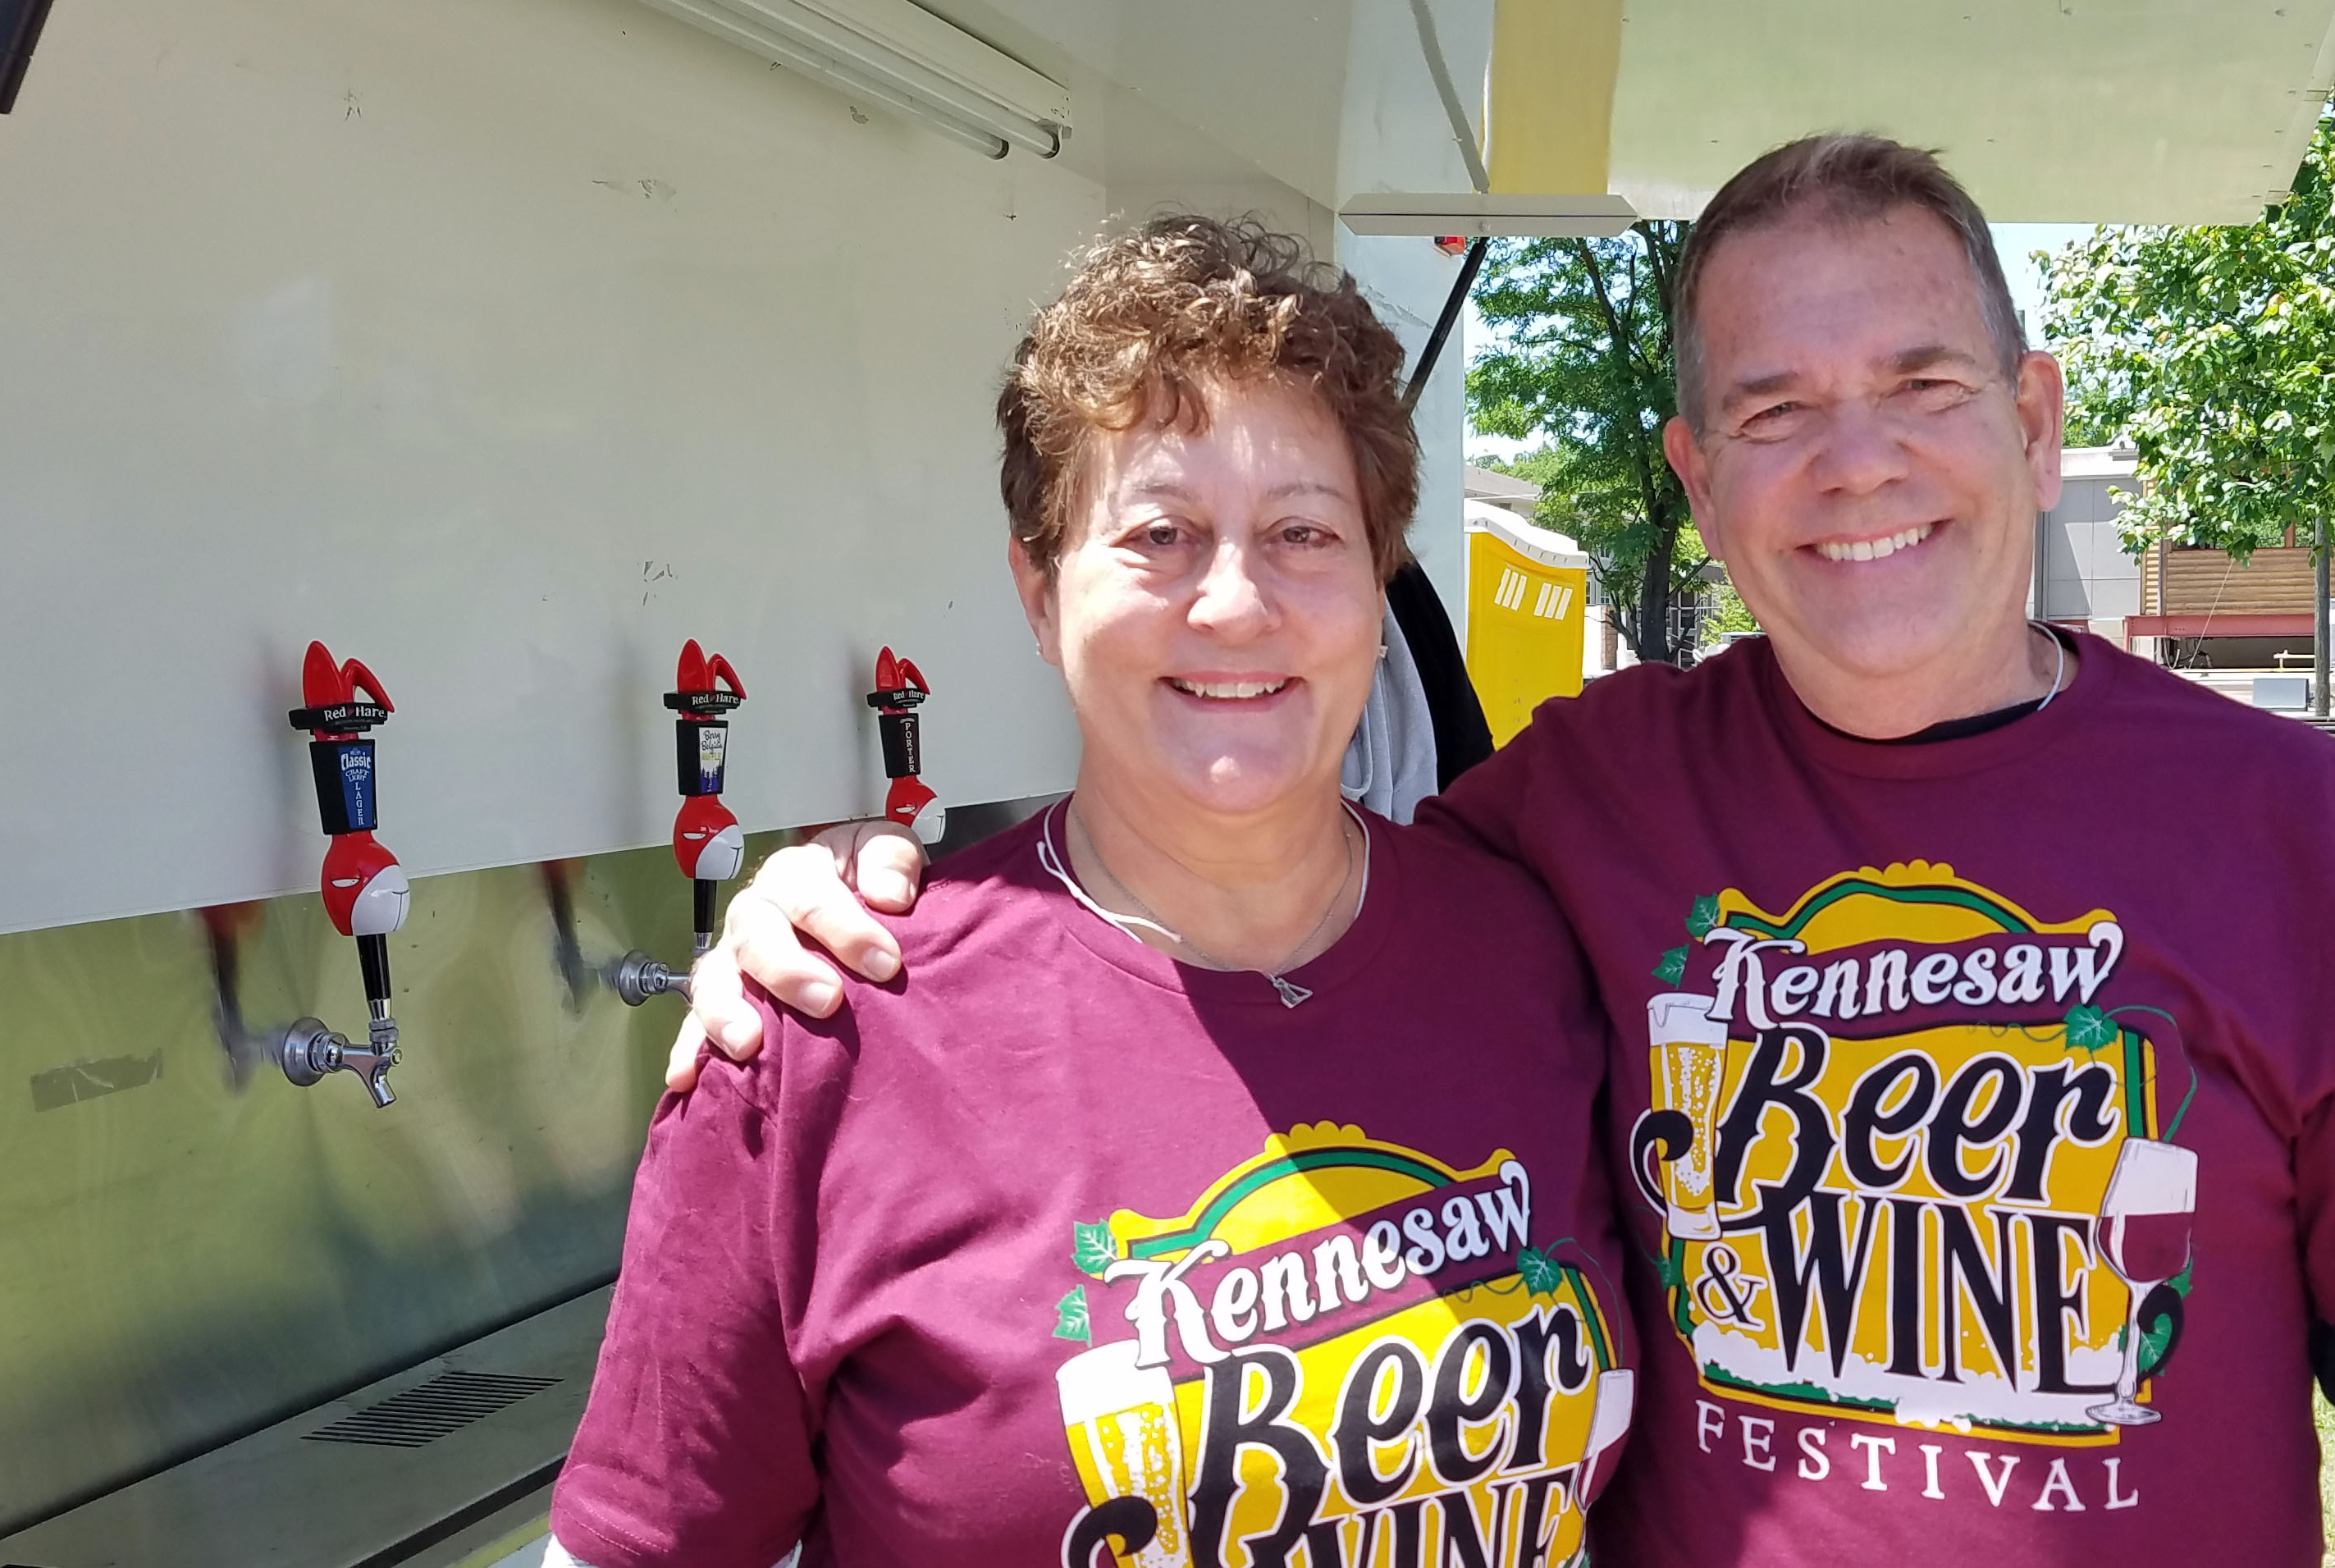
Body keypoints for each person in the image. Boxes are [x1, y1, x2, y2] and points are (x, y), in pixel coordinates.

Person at [695, 135, 2335, 1562]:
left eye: (1923, 385)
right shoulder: (1592, 797)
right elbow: (1252, 866)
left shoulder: (2292, 831)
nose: (1858, 462)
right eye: (1774, 409)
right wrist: (825, 897)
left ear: (2035, 421)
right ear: (1699, 481)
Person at [545, 216, 1634, 1568]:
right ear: (1039, 590)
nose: (1235, 603)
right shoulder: (826, 1030)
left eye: (1303, 531)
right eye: (1161, 534)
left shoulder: (1532, 956)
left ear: (1377, 582)